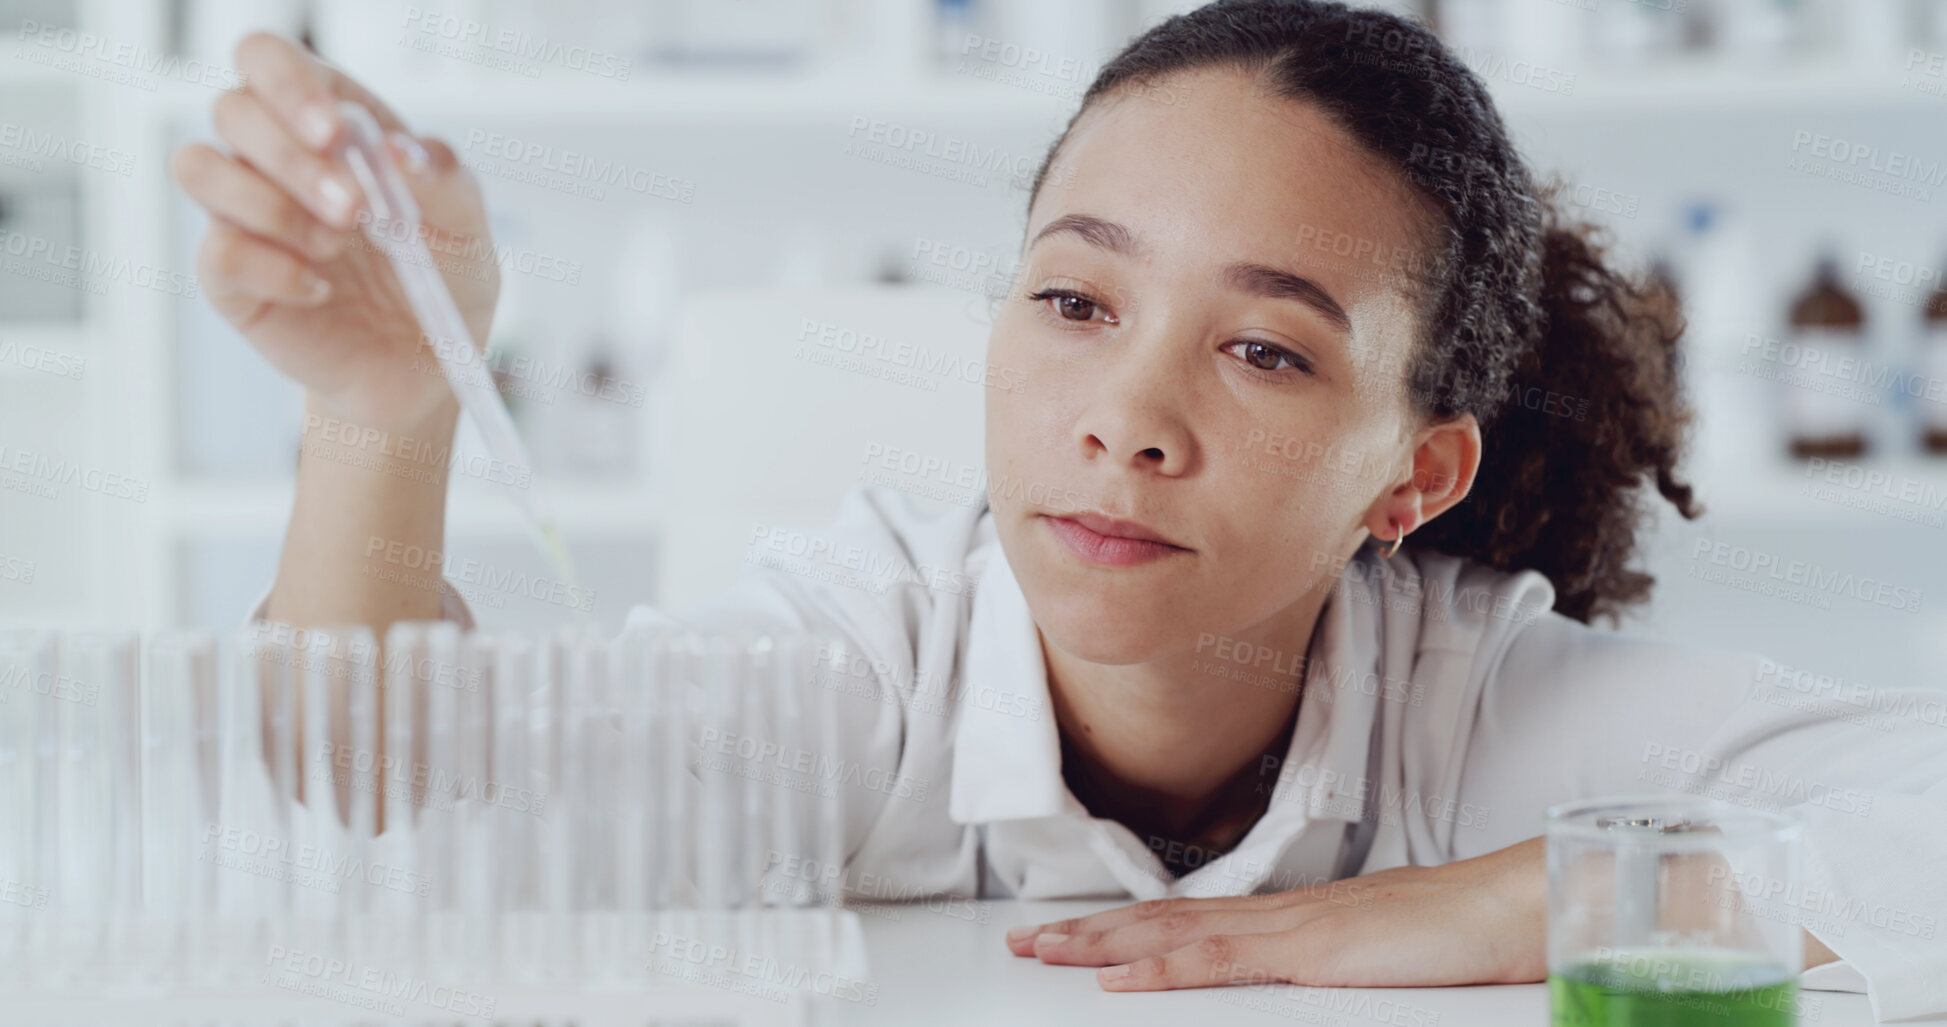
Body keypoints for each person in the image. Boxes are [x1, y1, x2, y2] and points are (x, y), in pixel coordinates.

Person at [172, 1, 1946, 1017]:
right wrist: (383, 414)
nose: (1127, 422)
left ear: (1414, 475)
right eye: (1078, 302)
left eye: (1264, 350)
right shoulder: (869, 661)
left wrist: (1512, 905)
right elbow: (395, 823)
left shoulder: (1480, 702)